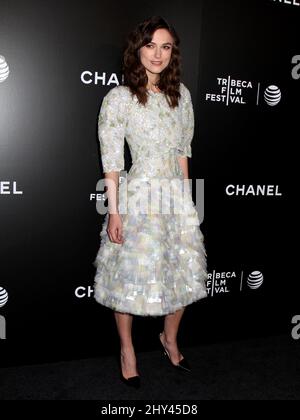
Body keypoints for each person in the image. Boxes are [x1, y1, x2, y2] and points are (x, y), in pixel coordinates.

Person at [93, 15, 208, 389]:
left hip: (174, 198)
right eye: (151, 45)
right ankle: (127, 350)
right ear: (137, 48)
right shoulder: (120, 98)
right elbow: (111, 162)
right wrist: (114, 211)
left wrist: (190, 202)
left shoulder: (182, 95)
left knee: (184, 271)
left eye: (166, 46)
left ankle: (169, 339)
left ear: (173, 52)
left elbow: (182, 152)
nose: (158, 54)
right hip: (139, 195)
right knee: (127, 278)